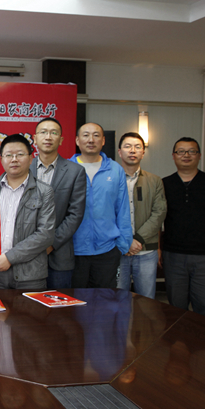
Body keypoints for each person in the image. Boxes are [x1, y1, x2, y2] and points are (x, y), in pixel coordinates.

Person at [161, 137, 205, 319]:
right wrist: (159, 249)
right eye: (181, 151)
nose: (186, 155)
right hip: (173, 256)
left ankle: (204, 339)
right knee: (176, 309)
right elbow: (156, 219)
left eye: (191, 151)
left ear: (199, 156)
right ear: (173, 156)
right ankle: (178, 338)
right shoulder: (163, 184)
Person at [0, 134, 55, 290]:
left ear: (31, 158)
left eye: (20, 154)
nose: (14, 159)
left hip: (30, 275)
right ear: (1, 159)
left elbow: (45, 234)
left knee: (30, 308)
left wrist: (10, 258)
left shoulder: (44, 191)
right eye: (9, 155)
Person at [69, 123, 132, 288]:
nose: (91, 140)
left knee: (104, 299)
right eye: (86, 135)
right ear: (77, 140)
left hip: (107, 250)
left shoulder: (115, 169)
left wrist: (122, 245)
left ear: (103, 141)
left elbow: (123, 209)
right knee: (74, 300)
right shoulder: (67, 169)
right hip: (73, 250)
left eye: (96, 135)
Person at [29, 117, 86, 289]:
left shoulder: (75, 171)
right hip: (27, 253)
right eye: (43, 132)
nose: (48, 137)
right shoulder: (22, 168)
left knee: (59, 303)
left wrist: (51, 243)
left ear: (61, 140)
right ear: (35, 138)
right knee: (27, 303)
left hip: (59, 254)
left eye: (53, 133)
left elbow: (75, 214)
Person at [116, 132, 167, 298]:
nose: (132, 150)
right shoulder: (110, 179)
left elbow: (159, 212)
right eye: (127, 146)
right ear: (119, 152)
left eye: (137, 147)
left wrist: (137, 239)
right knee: (117, 300)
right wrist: (125, 242)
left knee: (146, 302)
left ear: (143, 153)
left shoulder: (155, 181)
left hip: (146, 251)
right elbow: (104, 214)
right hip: (117, 250)